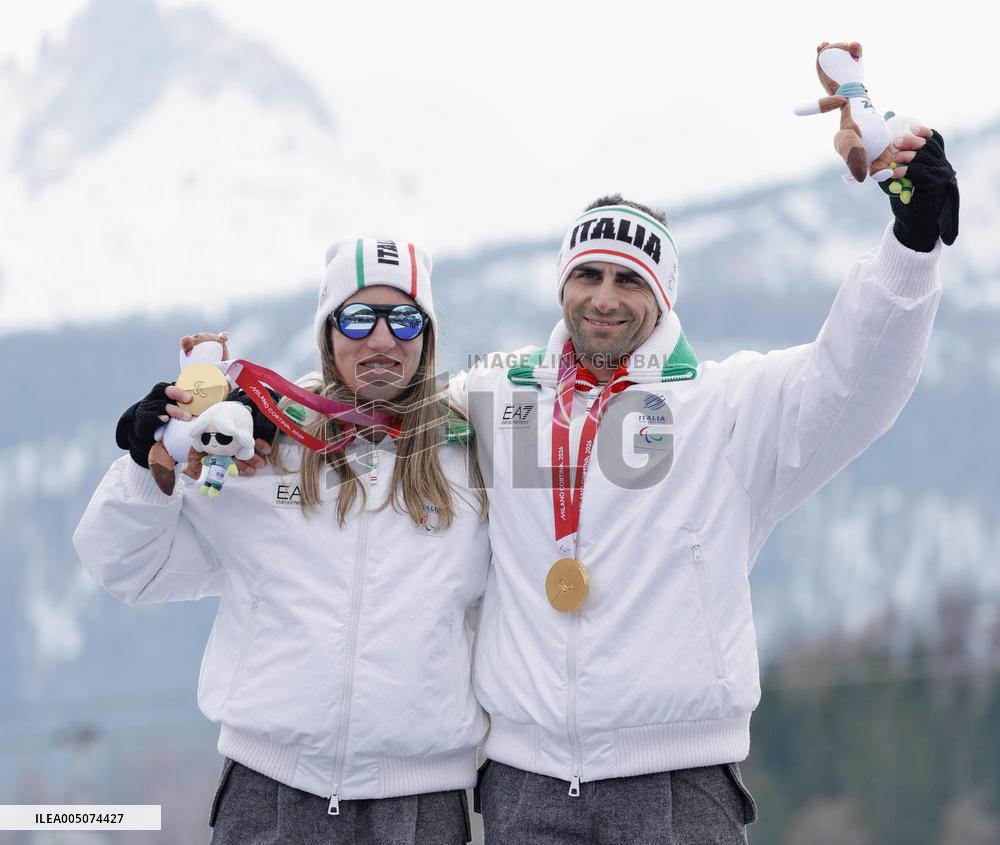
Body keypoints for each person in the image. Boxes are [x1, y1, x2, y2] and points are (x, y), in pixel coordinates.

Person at [448, 126, 959, 843]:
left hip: (676, 782)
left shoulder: (725, 407)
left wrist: (909, 250)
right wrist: (257, 417)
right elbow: (373, 415)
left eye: (629, 280)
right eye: (588, 275)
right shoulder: (496, 399)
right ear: (563, 283)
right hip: (524, 785)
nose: (604, 298)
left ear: (662, 297)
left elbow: (854, 377)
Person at [74, 237, 490, 844]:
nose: (381, 339)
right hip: (269, 794)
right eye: (357, 317)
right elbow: (129, 567)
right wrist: (147, 459)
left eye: (404, 318)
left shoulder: (474, 457)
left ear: (426, 337)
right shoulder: (261, 451)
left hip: (421, 805)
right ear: (328, 334)